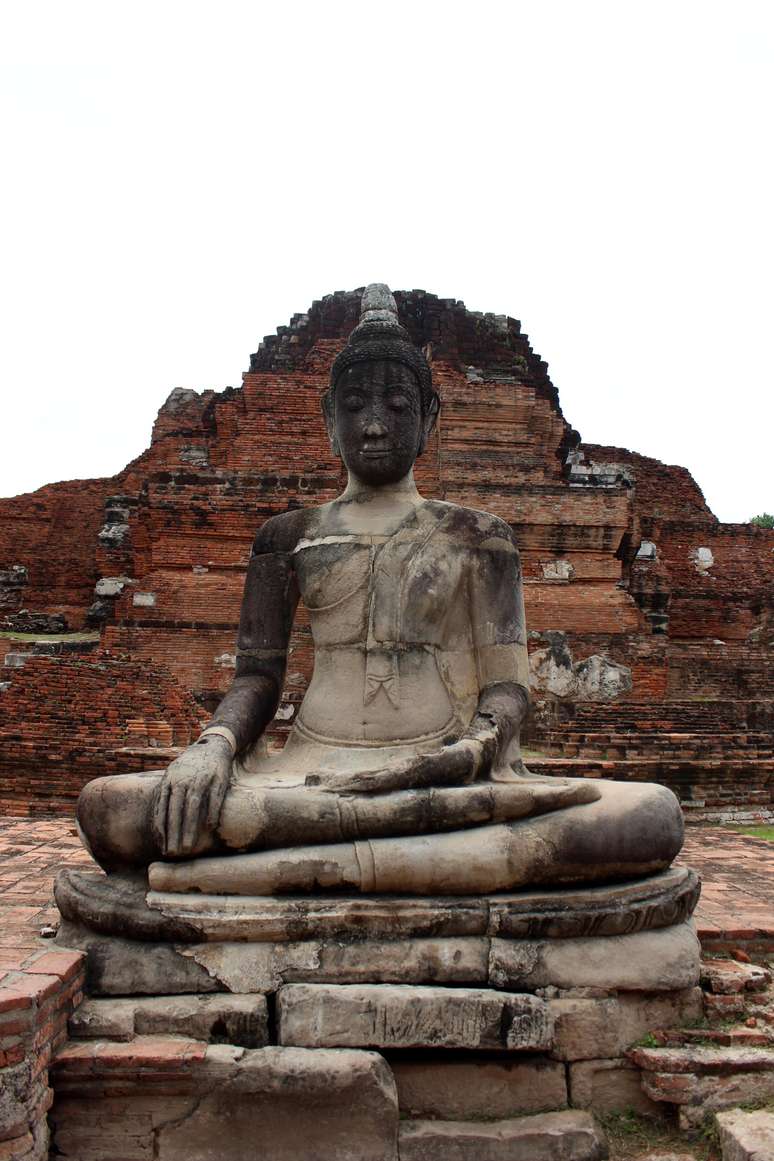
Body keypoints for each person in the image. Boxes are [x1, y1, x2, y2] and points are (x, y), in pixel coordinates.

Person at [76, 285, 682, 897]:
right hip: (308, 774)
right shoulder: (287, 537)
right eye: (354, 406)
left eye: (396, 405)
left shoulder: (479, 537)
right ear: (327, 419)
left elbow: (507, 688)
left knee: (651, 815)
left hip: (449, 774)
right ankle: (417, 865)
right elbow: (257, 678)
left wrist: (473, 750)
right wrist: (212, 749)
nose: (372, 425)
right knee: (109, 811)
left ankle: (285, 872)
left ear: (430, 419)